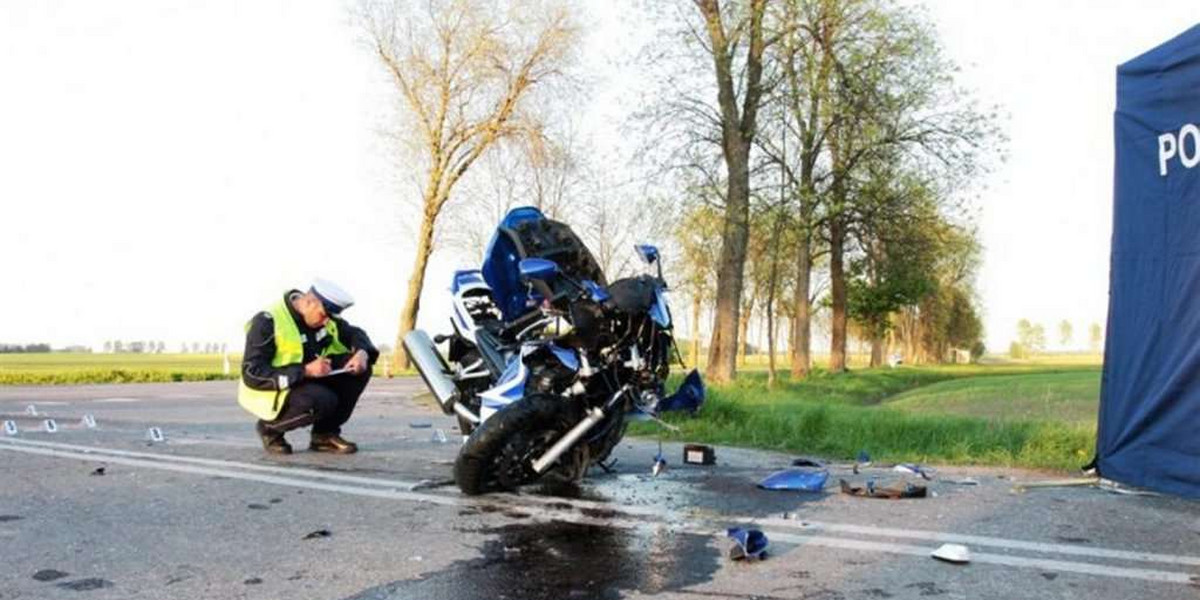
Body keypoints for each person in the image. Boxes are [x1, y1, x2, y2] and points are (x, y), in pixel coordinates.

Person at [238, 278, 378, 455]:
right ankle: (269, 429)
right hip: (277, 388)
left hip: (311, 379)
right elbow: (253, 373)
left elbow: (354, 333)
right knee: (322, 400)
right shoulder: (267, 322)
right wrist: (305, 371)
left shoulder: (325, 318)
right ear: (309, 301)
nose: (327, 322)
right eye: (324, 315)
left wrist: (362, 353)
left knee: (357, 370)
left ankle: (324, 436)